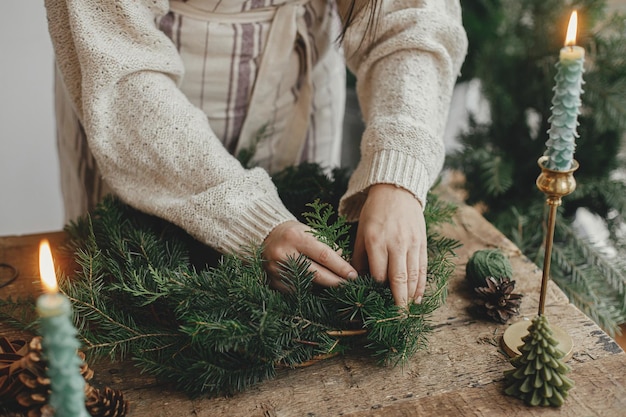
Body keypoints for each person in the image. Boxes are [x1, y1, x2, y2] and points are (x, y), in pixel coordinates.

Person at [44, 0, 467, 307]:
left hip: (296, 98)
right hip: (146, 130)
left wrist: (397, 172)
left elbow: (410, 17)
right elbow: (119, 64)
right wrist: (254, 221)